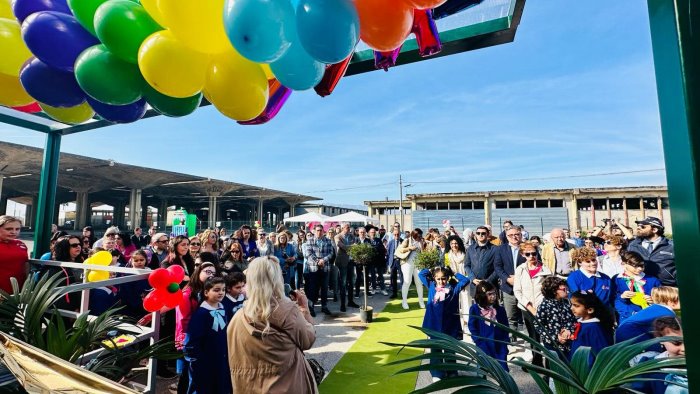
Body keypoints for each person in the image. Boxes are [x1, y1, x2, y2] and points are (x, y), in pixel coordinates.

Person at [227, 257, 317, 393]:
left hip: (250, 387)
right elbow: (308, 339)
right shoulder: (286, 310)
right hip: (287, 385)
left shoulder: (238, 317)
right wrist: (304, 308)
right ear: (276, 279)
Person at [419, 266, 470, 381]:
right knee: (435, 349)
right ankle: (437, 372)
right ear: (434, 279)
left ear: (447, 278)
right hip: (434, 325)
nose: (441, 281)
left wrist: (454, 273)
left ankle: (451, 370)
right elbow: (421, 274)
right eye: (438, 279)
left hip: (449, 325)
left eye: (444, 279)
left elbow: (466, 280)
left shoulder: (454, 288)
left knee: (450, 349)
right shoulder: (431, 286)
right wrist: (431, 269)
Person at [184, 276, 232, 394]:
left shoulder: (223, 308)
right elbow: (191, 342)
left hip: (220, 358)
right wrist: (198, 362)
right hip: (204, 362)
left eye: (223, 289)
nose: (221, 293)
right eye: (216, 290)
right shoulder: (201, 314)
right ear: (206, 292)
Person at [175, 262, 217, 391]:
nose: (211, 275)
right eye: (207, 272)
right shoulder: (187, 294)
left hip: (204, 338)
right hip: (189, 339)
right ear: (198, 272)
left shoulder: (207, 292)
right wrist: (184, 340)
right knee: (186, 375)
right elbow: (183, 320)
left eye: (213, 273)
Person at [513, 240, 552, 367]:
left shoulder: (545, 269)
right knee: (533, 337)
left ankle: (550, 363)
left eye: (534, 253)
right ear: (523, 255)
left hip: (543, 307)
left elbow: (550, 290)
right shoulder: (520, 269)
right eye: (528, 254)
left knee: (546, 336)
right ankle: (537, 361)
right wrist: (529, 306)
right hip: (526, 307)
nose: (531, 257)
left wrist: (542, 306)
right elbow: (517, 291)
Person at [468, 281, 509, 371]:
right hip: (483, 345)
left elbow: (506, 327)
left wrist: (505, 342)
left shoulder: (500, 309)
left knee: (503, 371)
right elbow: (472, 327)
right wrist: (478, 341)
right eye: (489, 294)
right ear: (482, 295)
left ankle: (504, 385)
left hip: (500, 345)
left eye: (494, 293)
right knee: (483, 370)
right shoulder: (475, 309)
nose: (493, 296)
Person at [493, 225, 525, 335]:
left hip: (525, 287)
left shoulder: (527, 248)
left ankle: (528, 339)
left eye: (516, 234)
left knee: (526, 314)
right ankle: (512, 337)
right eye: (510, 235)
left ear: (521, 235)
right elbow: (497, 266)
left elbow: (535, 264)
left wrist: (520, 278)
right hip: (508, 287)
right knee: (510, 315)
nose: (514, 237)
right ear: (506, 236)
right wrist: (507, 279)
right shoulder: (500, 249)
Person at [614, 251, 662, 323]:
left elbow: (662, 299)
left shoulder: (652, 280)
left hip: (651, 317)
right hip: (628, 318)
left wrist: (653, 300)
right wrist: (622, 297)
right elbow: (614, 300)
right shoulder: (616, 280)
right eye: (635, 266)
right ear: (624, 264)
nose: (639, 268)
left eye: (642, 265)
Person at [627, 217, 676, 286]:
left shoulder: (671, 245)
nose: (638, 228)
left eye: (643, 226)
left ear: (654, 230)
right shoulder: (633, 245)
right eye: (638, 226)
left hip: (667, 287)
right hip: (641, 286)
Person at [535, 276, 577, 357]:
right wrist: (555, 337)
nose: (567, 292)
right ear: (554, 291)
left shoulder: (566, 303)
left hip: (567, 344)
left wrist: (568, 331)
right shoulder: (544, 306)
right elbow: (538, 325)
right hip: (552, 346)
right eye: (564, 290)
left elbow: (573, 320)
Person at [569, 291, 614, 365]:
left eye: (576, 306)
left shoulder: (593, 328)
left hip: (588, 369)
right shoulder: (582, 323)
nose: (571, 308)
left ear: (590, 310)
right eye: (572, 305)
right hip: (578, 364)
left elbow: (601, 352)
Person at [303, 225, 334, 315]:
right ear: (314, 231)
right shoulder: (310, 241)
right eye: (317, 230)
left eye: (321, 230)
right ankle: (311, 307)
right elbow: (308, 253)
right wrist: (317, 261)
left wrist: (323, 260)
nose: (319, 232)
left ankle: (324, 306)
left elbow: (331, 253)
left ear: (323, 231)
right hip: (313, 268)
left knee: (324, 288)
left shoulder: (328, 240)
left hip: (325, 267)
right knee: (313, 288)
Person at [465, 226, 498, 298]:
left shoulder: (495, 249)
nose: (480, 235)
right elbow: (467, 265)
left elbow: (498, 268)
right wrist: (472, 278)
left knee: (491, 308)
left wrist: (488, 281)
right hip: (475, 285)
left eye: (483, 233)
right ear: (475, 235)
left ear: (488, 234)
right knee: (477, 308)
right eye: (478, 233)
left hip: (490, 285)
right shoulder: (470, 249)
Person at [445, 235, 469, 331]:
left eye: (456, 243)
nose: (454, 245)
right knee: (455, 302)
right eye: (452, 243)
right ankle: (457, 323)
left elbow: (468, 266)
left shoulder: (465, 254)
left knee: (466, 301)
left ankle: (467, 323)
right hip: (454, 281)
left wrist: (465, 279)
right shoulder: (447, 255)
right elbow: (447, 269)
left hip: (466, 280)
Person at [396, 229, 425, 310]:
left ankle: (421, 301)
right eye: (419, 236)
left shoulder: (421, 241)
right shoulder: (407, 240)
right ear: (414, 235)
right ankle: (404, 302)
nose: (420, 237)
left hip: (418, 263)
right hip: (407, 263)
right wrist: (410, 248)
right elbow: (400, 250)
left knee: (419, 282)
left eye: (421, 235)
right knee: (407, 282)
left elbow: (422, 252)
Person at [119, 250, 151, 320]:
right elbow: (126, 295)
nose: (139, 262)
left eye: (141, 260)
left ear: (146, 260)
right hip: (131, 310)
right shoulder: (127, 275)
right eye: (136, 260)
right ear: (131, 262)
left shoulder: (150, 273)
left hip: (147, 307)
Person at [0, 216, 29, 293]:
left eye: (17, 229)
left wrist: (27, 286)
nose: (14, 232)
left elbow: (25, 266)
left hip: (19, 292)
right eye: (9, 229)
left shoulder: (21, 244)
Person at [367, 226, 388, 296]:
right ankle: (374, 288)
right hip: (371, 261)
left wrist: (375, 249)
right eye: (372, 232)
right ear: (369, 233)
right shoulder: (367, 241)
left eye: (374, 232)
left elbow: (382, 249)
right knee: (373, 275)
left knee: (381, 275)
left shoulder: (378, 240)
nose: (373, 233)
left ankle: (383, 289)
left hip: (379, 260)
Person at [384, 226, 403, 300]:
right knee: (393, 278)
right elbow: (388, 253)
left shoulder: (403, 241)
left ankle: (402, 293)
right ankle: (394, 293)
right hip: (393, 262)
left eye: (398, 234)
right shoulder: (391, 242)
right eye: (395, 234)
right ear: (393, 234)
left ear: (400, 234)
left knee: (402, 278)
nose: (396, 236)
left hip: (401, 261)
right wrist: (388, 263)